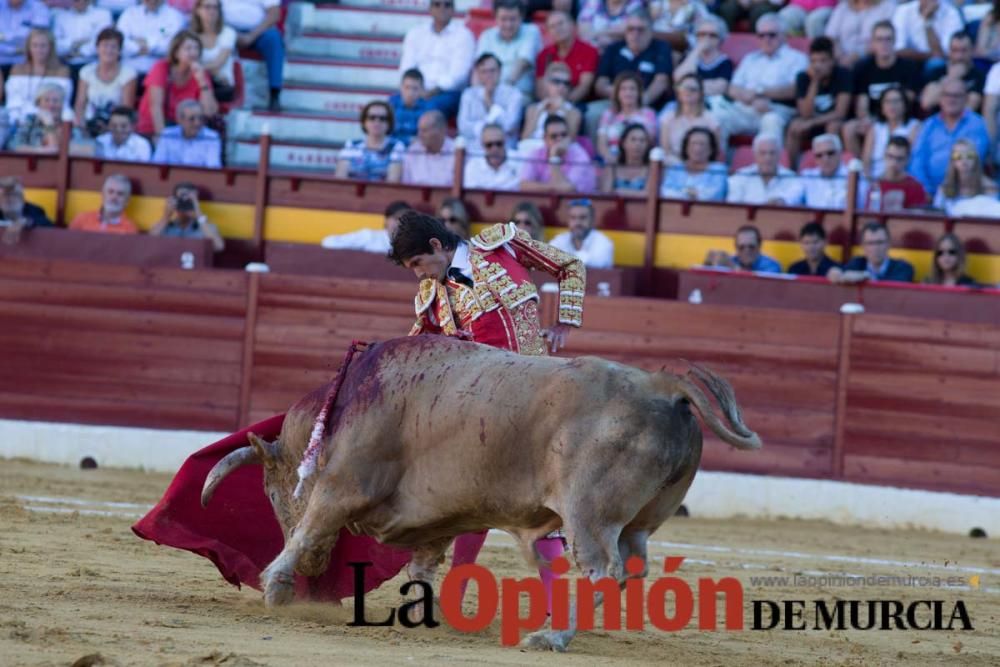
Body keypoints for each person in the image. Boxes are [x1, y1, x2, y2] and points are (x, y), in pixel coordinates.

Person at [388, 210, 586, 614]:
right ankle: (456, 597)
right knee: (473, 501)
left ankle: (554, 604)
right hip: (479, 414)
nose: (417, 275)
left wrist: (565, 321)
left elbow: (570, 265)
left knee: (544, 503)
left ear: (436, 247)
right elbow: (414, 355)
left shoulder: (503, 245)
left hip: (539, 399)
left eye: (416, 264)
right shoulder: (431, 299)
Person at [709, 13, 808, 140]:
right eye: (761, 35)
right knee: (716, 118)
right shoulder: (750, 58)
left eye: (771, 35)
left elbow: (795, 89)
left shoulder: (797, 58)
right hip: (745, 108)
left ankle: (769, 160)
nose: (766, 39)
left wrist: (759, 92)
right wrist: (749, 98)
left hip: (775, 109)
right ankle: (717, 159)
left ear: (783, 36)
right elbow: (732, 88)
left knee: (771, 121)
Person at [842, 20, 922, 158]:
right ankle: (860, 169)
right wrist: (868, 119)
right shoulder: (863, 68)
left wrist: (888, 120)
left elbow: (908, 100)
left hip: (901, 119)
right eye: (879, 39)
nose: (884, 44)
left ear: (895, 41)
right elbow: (862, 103)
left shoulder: (908, 67)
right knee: (849, 128)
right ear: (872, 43)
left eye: (888, 39)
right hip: (875, 119)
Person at [910, 78, 989, 196]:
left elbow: (975, 160)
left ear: (966, 99)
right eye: (947, 95)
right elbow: (917, 160)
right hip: (929, 193)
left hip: (965, 193)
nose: (951, 99)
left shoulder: (977, 124)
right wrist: (925, 190)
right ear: (940, 98)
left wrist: (951, 189)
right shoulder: (929, 125)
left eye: (957, 95)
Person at [397, 0, 475, 118]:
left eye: (447, 5)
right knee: (391, 105)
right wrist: (414, 89)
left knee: (429, 109)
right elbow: (406, 67)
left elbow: (459, 75)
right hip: (416, 89)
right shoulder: (416, 33)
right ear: (430, 8)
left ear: (453, 9)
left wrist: (431, 92)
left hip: (447, 93)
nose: (442, 8)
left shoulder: (464, 35)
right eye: (437, 4)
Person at [136, 30, 219, 137]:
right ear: (176, 52)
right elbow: (155, 107)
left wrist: (202, 81)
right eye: (188, 48)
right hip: (154, 127)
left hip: (185, 130)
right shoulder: (161, 67)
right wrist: (163, 138)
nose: (193, 52)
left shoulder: (201, 74)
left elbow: (209, 112)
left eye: (196, 48)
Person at [593, 8, 673, 117]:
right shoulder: (613, 49)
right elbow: (601, 83)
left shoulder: (661, 48)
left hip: (649, 103)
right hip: (615, 102)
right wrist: (623, 96)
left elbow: (661, 81)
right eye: (631, 29)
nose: (635, 34)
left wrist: (640, 101)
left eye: (641, 30)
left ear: (650, 32)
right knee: (592, 114)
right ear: (625, 31)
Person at [785, 36, 852, 168]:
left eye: (823, 61)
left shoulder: (843, 75)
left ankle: (834, 168)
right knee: (794, 127)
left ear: (832, 61)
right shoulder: (803, 77)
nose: (818, 66)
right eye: (814, 61)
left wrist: (812, 122)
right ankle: (791, 169)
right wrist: (814, 82)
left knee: (832, 126)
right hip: (812, 120)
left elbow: (840, 112)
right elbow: (805, 113)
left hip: (832, 120)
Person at [74, 28, 137, 137]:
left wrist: (109, 129)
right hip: (87, 126)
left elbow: (126, 110)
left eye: (113, 47)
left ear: (120, 50)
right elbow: (80, 105)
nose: (109, 50)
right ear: (97, 48)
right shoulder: (86, 71)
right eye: (105, 45)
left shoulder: (128, 74)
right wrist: (82, 127)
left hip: (116, 130)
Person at [221, 0, 283, 110]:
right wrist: (230, 34)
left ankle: (275, 92)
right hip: (225, 29)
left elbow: (274, 13)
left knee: (274, 38)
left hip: (257, 31)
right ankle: (222, 91)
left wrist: (251, 36)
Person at [4, 28, 73, 124]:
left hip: (53, 121)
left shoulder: (62, 71)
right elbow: (13, 102)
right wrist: (34, 113)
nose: (38, 50)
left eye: (43, 46)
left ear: (50, 48)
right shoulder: (17, 69)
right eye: (34, 45)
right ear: (28, 47)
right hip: (20, 119)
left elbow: (63, 104)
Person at [475, 0, 541, 98]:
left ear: (521, 17)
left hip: (518, 94)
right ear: (495, 18)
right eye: (503, 19)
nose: (508, 25)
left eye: (513, 19)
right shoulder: (487, 35)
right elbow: (478, 69)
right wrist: (477, 93)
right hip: (488, 92)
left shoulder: (531, 31)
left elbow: (522, 64)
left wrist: (500, 92)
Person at [457, 52, 523, 147]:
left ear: (500, 71)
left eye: (492, 71)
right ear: (478, 74)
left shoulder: (514, 94)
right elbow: (462, 126)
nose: (488, 75)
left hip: (505, 149)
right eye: (484, 72)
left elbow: (509, 126)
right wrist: (485, 129)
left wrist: (490, 104)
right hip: (474, 149)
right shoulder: (468, 94)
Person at [519, 115, 598, 193]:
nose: (559, 139)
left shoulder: (580, 155)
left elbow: (566, 191)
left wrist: (554, 158)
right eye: (554, 136)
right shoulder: (536, 154)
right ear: (545, 138)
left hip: (579, 203)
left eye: (563, 135)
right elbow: (524, 186)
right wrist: (552, 187)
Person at [534, 11, 598, 105]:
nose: (557, 29)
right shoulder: (544, 54)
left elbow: (584, 87)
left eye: (561, 23)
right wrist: (552, 105)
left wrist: (564, 106)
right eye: (552, 26)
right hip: (549, 105)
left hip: (578, 104)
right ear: (548, 32)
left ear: (572, 25)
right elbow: (540, 89)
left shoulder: (589, 51)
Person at [659, 72, 723, 163]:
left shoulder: (712, 120)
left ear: (701, 93)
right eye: (684, 88)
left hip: (703, 166)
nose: (688, 92)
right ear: (678, 92)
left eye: (692, 89)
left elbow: (715, 152)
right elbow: (665, 151)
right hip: (674, 166)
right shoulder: (667, 118)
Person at [335, 101, 405, 183]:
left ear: (389, 123)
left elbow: (392, 183)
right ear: (364, 122)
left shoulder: (396, 146)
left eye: (382, 118)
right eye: (372, 117)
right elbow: (340, 180)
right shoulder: (351, 145)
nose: (377, 122)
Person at [596, 71, 658, 163]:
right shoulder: (608, 114)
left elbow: (650, 142)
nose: (628, 93)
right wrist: (610, 159)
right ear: (617, 93)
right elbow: (601, 143)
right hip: (612, 162)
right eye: (623, 89)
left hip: (640, 162)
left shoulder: (648, 114)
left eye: (632, 89)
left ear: (639, 92)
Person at [727, 133, 805, 205]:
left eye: (772, 153)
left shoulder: (791, 178)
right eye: (763, 153)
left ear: (779, 155)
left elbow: (794, 198)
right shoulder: (740, 176)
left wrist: (780, 201)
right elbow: (733, 206)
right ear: (755, 154)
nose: (768, 158)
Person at [861, 85, 921, 179]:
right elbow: (866, 160)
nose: (892, 106)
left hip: (901, 179)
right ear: (882, 107)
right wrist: (869, 179)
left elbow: (906, 159)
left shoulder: (914, 126)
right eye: (887, 102)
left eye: (896, 101)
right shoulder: (875, 128)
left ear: (905, 105)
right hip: (873, 179)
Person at [827, 221, 914, 283]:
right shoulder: (857, 263)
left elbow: (894, 287)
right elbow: (837, 272)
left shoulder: (903, 267)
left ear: (888, 244)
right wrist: (836, 273)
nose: (875, 248)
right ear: (863, 246)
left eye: (879, 242)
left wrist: (864, 277)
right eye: (870, 243)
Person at [919, 32, 985, 114]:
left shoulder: (980, 76)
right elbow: (927, 103)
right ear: (949, 51)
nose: (959, 56)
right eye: (955, 50)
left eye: (964, 51)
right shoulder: (936, 73)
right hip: (937, 122)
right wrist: (951, 78)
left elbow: (970, 108)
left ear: (972, 50)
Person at [149, 181, 225, 252]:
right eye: (181, 199)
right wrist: (166, 216)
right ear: (175, 200)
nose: (184, 203)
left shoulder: (205, 227)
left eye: (190, 200)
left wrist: (199, 215)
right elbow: (148, 243)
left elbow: (218, 246)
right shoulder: (164, 226)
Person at [116, 0, 185, 74]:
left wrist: (144, 43)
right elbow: (120, 42)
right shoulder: (129, 14)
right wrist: (138, 47)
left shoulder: (174, 16)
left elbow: (170, 45)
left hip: (161, 73)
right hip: (128, 70)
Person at [932, 138, 998, 215]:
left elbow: (993, 216)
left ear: (976, 159)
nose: (964, 160)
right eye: (958, 156)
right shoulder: (944, 188)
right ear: (952, 161)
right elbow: (937, 216)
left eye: (969, 155)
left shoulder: (989, 187)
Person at [671, 15, 733, 97]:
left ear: (720, 38)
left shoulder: (724, 62)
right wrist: (697, 50)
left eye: (712, 35)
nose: (706, 38)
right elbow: (678, 78)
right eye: (702, 34)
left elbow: (719, 88)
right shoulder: (690, 57)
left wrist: (689, 85)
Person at [824, 0, 898, 68]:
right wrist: (839, 56)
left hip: (870, 58)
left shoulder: (887, 6)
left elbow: (885, 36)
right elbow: (831, 36)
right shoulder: (843, 7)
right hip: (840, 58)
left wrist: (855, 57)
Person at [660, 126, 727, 201]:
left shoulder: (718, 170)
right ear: (686, 147)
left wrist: (685, 194)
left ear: (711, 149)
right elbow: (666, 192)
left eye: (702, 144)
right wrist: (691, 194)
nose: (697, 148)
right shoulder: (676, 168)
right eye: (693, 143)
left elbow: (715, 195)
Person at [891, 0, 962, 70]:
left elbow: (943, 54)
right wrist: (929, 56)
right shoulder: (903, 11)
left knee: (936, 64)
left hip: (937, 65)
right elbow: (897, 49)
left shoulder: (951, 13)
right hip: (909, 61)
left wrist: (927, 22)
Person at [521, 61, 582, 143]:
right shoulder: (533, 109)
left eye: (566, 83)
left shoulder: (574, 112)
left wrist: (563, 109)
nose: (562, 86)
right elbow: (524, 139)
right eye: (556, 81)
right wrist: (540, 111)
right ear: (546, 83)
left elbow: (571, 140)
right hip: (532, 150)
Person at [8, 84, 77, 154]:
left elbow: (82, 148)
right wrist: (40, 151)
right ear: (38, 103)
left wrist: (49, 124)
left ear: (62, 104)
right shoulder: (30, 121)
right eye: (46, 100)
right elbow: (14, 145)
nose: (51, 105)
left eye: (56, 101)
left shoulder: (69, 125)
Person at [191, 0, 238, 103]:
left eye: (215, 7)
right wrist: (209, 71)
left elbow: (218, 63)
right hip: (198, 81)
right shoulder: (191, 35)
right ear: (198, 10)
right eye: (207, 7)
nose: (212, 11)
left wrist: (199, 68)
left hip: (222, 85)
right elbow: (189, 62)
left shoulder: (228, 33)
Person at [151, 99, 221, 168]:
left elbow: (213, 168)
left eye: (201, 118)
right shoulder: (167, 135)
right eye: (192, 119)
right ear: (180, 120)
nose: (197, 123)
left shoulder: (212, 137)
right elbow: (158, 165)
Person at [320, 200, 409, 253]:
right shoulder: (369, 236)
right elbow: (328, 242)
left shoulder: (413, 243)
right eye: (396, 218)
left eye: (405, 220)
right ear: (386, 220)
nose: (399, 223)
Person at [548, 198, 615, 268]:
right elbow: (548, 259)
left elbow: (595, 264)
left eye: (582, 217)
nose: (577, 223)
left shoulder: (604, 242)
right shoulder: (560, 240)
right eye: (573, 218)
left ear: (592, 220)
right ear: (568, 220)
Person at [867, 136, 928, 210]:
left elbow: (917, 219)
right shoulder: (875, 186)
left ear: (907, 159)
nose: (894, 162)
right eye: (890, 156)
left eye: (900, 158)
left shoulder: (915, 187)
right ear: (884, 155)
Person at [800, 133, 857, 209]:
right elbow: (790, 197)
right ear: (815, 159)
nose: (825, 159)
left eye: (830, 153)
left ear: (840, 153)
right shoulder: (807, 176)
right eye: (819, 155)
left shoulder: (853, 176)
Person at [68, 173, 138, 234]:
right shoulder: (81, 219)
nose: (114, 197)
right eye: (110, 192)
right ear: (103, 195)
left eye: (120, 194)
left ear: (127, 201)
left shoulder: (130, 229)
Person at [54, 0, 114, 71]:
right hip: (66, 64)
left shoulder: (103, 15)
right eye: (77, 0)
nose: (81, 2)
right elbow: (55, 44)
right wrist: (74, 43)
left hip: (94, 63)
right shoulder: (60, 17)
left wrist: (79, 53)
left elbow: (104, 41)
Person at [402, 110, 455, 187]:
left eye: (424, 131)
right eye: (419, 130)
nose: (420, 135)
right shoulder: (412, 152)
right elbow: (406, 187)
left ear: (441, 130)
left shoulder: (456, 152)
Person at [464, 123, 521, 191]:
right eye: (489, 145)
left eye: (499, 144)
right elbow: (471, 194)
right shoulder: (473, 165)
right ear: (482, 145)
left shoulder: (519, 161)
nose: (494, 149)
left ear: (505, 141)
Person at [703, 224, 782, 272]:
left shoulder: (771, 265)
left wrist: (733, 267)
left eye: (751, 247)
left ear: (759, 246)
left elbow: (759, 287)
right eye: (741, 247)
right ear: (736, 247)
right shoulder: (731, 260)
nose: (746, 251)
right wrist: (708, 266)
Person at [600, 123, 652, 195]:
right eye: (633, 140)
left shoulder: (652, 169)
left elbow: (648, 195)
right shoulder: (612, 166)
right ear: (623, 143)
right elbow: (606, 194)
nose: (638, 144)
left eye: (642, 140)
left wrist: (618, 192)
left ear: (647, 145)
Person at [0, 176, 52, 246]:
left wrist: (26, 221)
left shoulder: (33, 209)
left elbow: (49, 227)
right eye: (5, 196)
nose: (9, 199)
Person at [0, 0, 50, 68]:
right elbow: (29, 37)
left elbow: (40, 35)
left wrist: (3, 37)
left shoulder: (39, 7)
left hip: (27, 62)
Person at [388, 69, 431, 147]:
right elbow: (385, 135)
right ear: (400, 87)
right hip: (392, 149)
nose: (410, 93)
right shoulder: (390, 106)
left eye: (415, 88)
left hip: (416, 151)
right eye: (407, 87)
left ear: (422, 90)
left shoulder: (428, 109)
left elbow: (425, 138)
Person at [578, 0, 643, 49]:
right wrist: (610, 34)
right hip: (595, 51)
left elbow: (628, 29)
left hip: (622, 51)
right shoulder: (593, 3)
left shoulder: (634, 4)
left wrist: (598, 33)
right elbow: (584, 31)